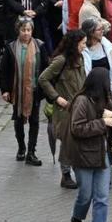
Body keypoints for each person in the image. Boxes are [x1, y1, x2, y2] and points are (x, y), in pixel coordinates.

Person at [64, 66, 112, 222]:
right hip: (83, 155)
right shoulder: (81, 101)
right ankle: (77, 218)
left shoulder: (106, 100)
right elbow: (77, 128)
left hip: (102, 154)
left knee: (102, 196)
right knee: (85, 195)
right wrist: (102, 123)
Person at [39, 30, 88, 189]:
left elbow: (83, 81)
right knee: (68, 140)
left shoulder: (79, 58)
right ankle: (66, 174)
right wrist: (56, 98)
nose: (85, 46)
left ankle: (75, 170)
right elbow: (43, 79)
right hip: (64, 109)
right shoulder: (61, 61)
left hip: (79, 107)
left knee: (75, 140)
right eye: (83, 43)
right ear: (75, 44)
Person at [0, 17, 47, 166]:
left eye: (29, 30)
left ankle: (31, 152)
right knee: (18, 120)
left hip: (34, 91)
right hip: (17, 91)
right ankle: (21, 147)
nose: (26, 33)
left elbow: (46, 68)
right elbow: (4, 71)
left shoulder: (39, 46)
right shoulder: (11, 47)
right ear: (18, 30)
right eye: (23, 30)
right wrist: (5, 90)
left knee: (34, 121)